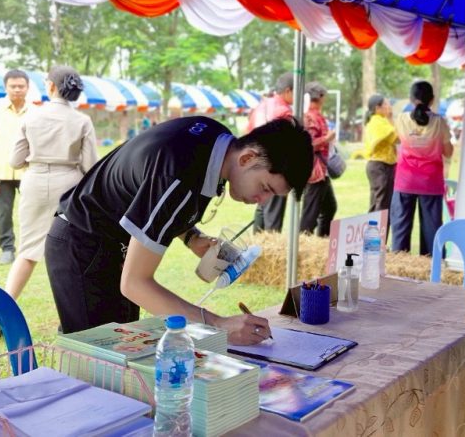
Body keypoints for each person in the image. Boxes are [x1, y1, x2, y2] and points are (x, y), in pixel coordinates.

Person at [45, 115, 314, 342]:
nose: (262, 201)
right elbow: (135, 283)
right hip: (82, 243)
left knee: (123, 348)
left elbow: (152, 197)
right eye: (265, 188)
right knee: (101, 359)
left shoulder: (215, 140)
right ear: (247, 158)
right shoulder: (179, 173)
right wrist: (219, 325)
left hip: (109, 242)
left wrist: (191, 236)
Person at [4, 66, 97, 305]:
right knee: (68, 251)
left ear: (51, 86)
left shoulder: (31, 116)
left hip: (34, 182)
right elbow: (90, 166)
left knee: (27, 251)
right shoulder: (82, 121)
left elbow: (15, 161)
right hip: (69, 184)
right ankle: (73, 313)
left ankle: (3, 308)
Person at [390, 81, 452, 256]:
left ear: (411, 99)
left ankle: (399, 266)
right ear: (432, 99)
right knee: (432, 230)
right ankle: (433, 266)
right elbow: (448, 152)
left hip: (405, 181)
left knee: (400, 229)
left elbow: (395, 141)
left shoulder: (401, 120)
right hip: (430, 182)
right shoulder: (439, 122)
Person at [0, 69, 32, 265]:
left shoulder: (36, 111)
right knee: (4, 213)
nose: (17, 90)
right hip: (0, 171)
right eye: (13, 86)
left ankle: (29, 248)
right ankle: (7, 248)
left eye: (21, 86)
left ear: (27, 87)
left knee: (30, 211)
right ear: (6, 87)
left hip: (29, 171)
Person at [247, 72, 295, 234]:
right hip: (275, 167)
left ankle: (256, 245)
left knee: (262, 208)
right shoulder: (284, 111)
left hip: (255, 164)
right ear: (288, 91)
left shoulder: (261, 106)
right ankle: (269, 247)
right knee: (273, 214)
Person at [300, 81, 338, 237]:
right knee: (311, 212)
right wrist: (327, 138)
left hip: (321, 170)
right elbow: (307, 145)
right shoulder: (310, 117)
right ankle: (304, 240)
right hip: (314, 172)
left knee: (329, 207)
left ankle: (322, 239)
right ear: (320, 96)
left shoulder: (315, 115)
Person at [362, 94, 397, 223]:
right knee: (382, 204)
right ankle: (376, 235)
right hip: (380, 166)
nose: (389, 106)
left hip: (381, 165)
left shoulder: (381, 121)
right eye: (386, 104)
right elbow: (397, 137)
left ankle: (373, 235)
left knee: (378, 203)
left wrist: (390, 118)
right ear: (378, 108)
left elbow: (394, 137)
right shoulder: (378, 122)